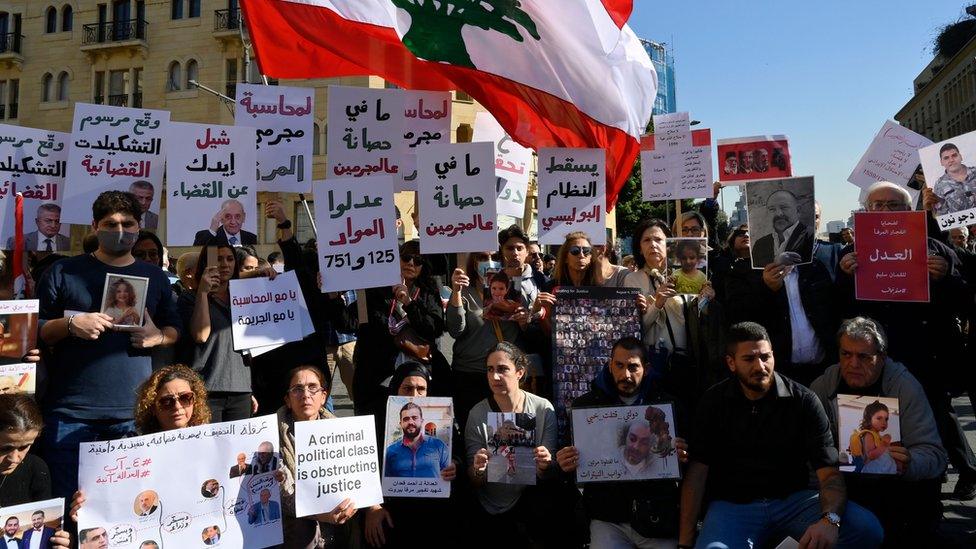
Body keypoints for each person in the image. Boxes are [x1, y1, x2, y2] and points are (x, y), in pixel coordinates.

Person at [678, 322, 883, 548]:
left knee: (867, 528)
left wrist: (830, 521)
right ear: (731, 363)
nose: (760, 366)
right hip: (733, 506)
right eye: (749, 359)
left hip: (794, 501)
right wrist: (684, 543)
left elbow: (830, 475)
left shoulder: (803, 400)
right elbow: (697, 475)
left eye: (765, 357)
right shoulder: (713, 402)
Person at [36, 191, 180, 498]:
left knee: (126, 509)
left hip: (133, 415)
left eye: (127, 223)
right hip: (70, 414)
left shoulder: (155, 276)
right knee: (68, 509)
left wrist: (159, 337)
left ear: (138, 227)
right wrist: (72, 325)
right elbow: (37, 329)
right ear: (94, 226)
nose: (119, 231)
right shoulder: (62, 271)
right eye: (110, 223)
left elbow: (175, 329)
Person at [838, 180, 976, 500]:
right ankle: (872, 498)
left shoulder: (936, 249)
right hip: (872, 362)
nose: (885, 211)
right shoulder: (851, 254)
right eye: (878, 205)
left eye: (894, 205)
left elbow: (966, 302)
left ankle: (943, 485)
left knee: (933, 422)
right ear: (867, 211)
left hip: (925, 357)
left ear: (909, 209)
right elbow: (836, 311)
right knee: (870, 428)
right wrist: (845, 277)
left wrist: (946, 278)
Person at [810, 317, 946, 545]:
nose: (853, 364)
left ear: (881, 357)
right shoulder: (823, 386)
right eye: (846, 354)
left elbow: (935, 454)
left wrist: (910, 462)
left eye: (863, 356)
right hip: (842, 488)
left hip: (895, 489)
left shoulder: (904, 386)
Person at [556, 337, 690, 547]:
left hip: (658, 516)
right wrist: (564, 462)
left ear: (645, 369)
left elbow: (690, 465)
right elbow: (568, 461)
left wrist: (682, 457)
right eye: (619, 366)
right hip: (607, 518)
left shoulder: (668, 406)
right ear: (610, 366)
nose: (625, 374)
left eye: (633, 367)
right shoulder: (586, 407)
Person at [466, 342, 557, 545]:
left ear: (519, 372)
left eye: (502, 369)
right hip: (490, 505)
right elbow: (473, 480)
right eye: (490, 370)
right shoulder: (477, 413)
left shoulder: (543, 408)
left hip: (531, 505)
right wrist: (479, 469)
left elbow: (550, 471)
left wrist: (545, 463)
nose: (495, 376)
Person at [277, 365, 357, 547]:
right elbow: (286, 495)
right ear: (288, 400)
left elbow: (361, 477)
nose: (306, 394)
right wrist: (322, 515)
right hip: (297, 530)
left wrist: (374, 507)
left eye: (313, 388)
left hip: (342, 519)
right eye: (297, 389)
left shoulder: (347, 434)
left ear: (323, 397)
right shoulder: (272, 439)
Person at [447, 253, 527, 424]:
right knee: (472, 431)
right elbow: (455, 330)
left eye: (496, 256)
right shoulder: (465, 292)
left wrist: (523, 319)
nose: (489, 261)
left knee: (504, 431)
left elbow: (527, 334)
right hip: (470, 375)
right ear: (474, 261)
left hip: (504, 374)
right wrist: (456, 292)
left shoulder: (515, 291)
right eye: (482, 257)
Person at [179, 241, 253, 422]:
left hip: (241, 388)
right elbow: (200, 335)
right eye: (218, 259)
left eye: (230, 259)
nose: (225, 264)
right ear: (206, 263)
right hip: (206, 388)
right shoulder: (189, 298)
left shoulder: (244, 297)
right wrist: (203, 293)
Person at [0, 396, 69, 547]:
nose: (15, 458)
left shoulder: (36, 469)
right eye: (5, 449)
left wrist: (59, 543)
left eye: (24, 447)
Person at [133, 365, 211, 435]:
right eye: (167, 401)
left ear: (195, 401)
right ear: (152, 407)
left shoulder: (210, 437)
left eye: (185, 397)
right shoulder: (136, 444)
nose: (177, 406)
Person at [384, 402, 450, 478]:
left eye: (414, 418)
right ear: (401, 423)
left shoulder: (439, 446)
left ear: (422, 421)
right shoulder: (390, 451)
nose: (411, 422)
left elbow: (448, 474)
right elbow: (387, 483)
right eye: (406, 419)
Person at [751, 189, 815, 267]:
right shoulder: (760, 244)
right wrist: (775, 262)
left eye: (784, 207)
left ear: (798, 210)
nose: (778, 214)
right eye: (772, 209)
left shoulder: (810, 237)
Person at [930, 143, 976, 217]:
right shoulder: (939, 185)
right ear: (941, 162)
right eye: (946, 158)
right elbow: (941, 215)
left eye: (954, 155)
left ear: (960, 157)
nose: (951, 160)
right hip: (962, 226)